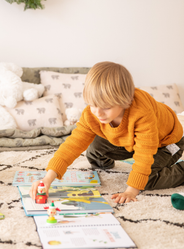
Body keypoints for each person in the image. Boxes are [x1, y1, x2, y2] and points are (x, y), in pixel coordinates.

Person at [29, 61, 184, 204]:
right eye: (92, 105)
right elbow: (73, 144)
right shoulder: (93, 114)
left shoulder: (142, 114)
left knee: (146, 180)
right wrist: (47, 179)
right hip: (128, 140)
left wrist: (131, 191)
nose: (98, 112)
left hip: (166, 142)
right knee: (94, 147)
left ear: (127, 100)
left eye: (106, 107)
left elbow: (144, 154)